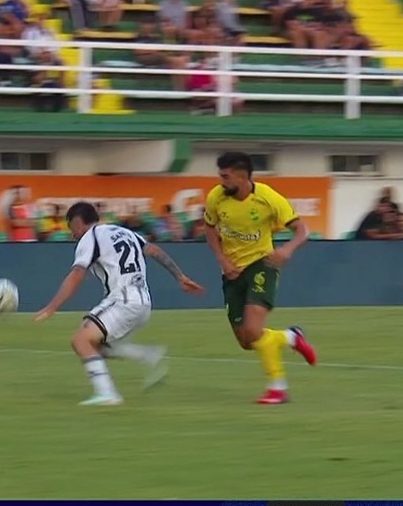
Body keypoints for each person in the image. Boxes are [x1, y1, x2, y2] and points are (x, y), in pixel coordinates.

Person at [33, 202, 205, 406]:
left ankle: (107, 394)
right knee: (95, 344)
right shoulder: (124, 232)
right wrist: (180, 276)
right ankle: (147, 355)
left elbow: (77, 274)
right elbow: (154, 250)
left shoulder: (90, 237)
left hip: (123, 301)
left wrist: (52, 307)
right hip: (143, 302)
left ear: (78, 223)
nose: (72, 235)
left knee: (81, 341)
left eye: (72, 228)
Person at [203, 152, 318, 405]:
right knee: (246, 341)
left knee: (254, 330)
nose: (221, 181)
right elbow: (209, 228)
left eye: (225, 176)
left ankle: (278, 388)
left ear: (242, 177)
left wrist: (287, 250)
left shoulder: (268, 198)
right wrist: (222, 259)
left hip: (261, 265)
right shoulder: (216, 197)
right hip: (231, 272)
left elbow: (302, 230)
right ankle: (291, 337)